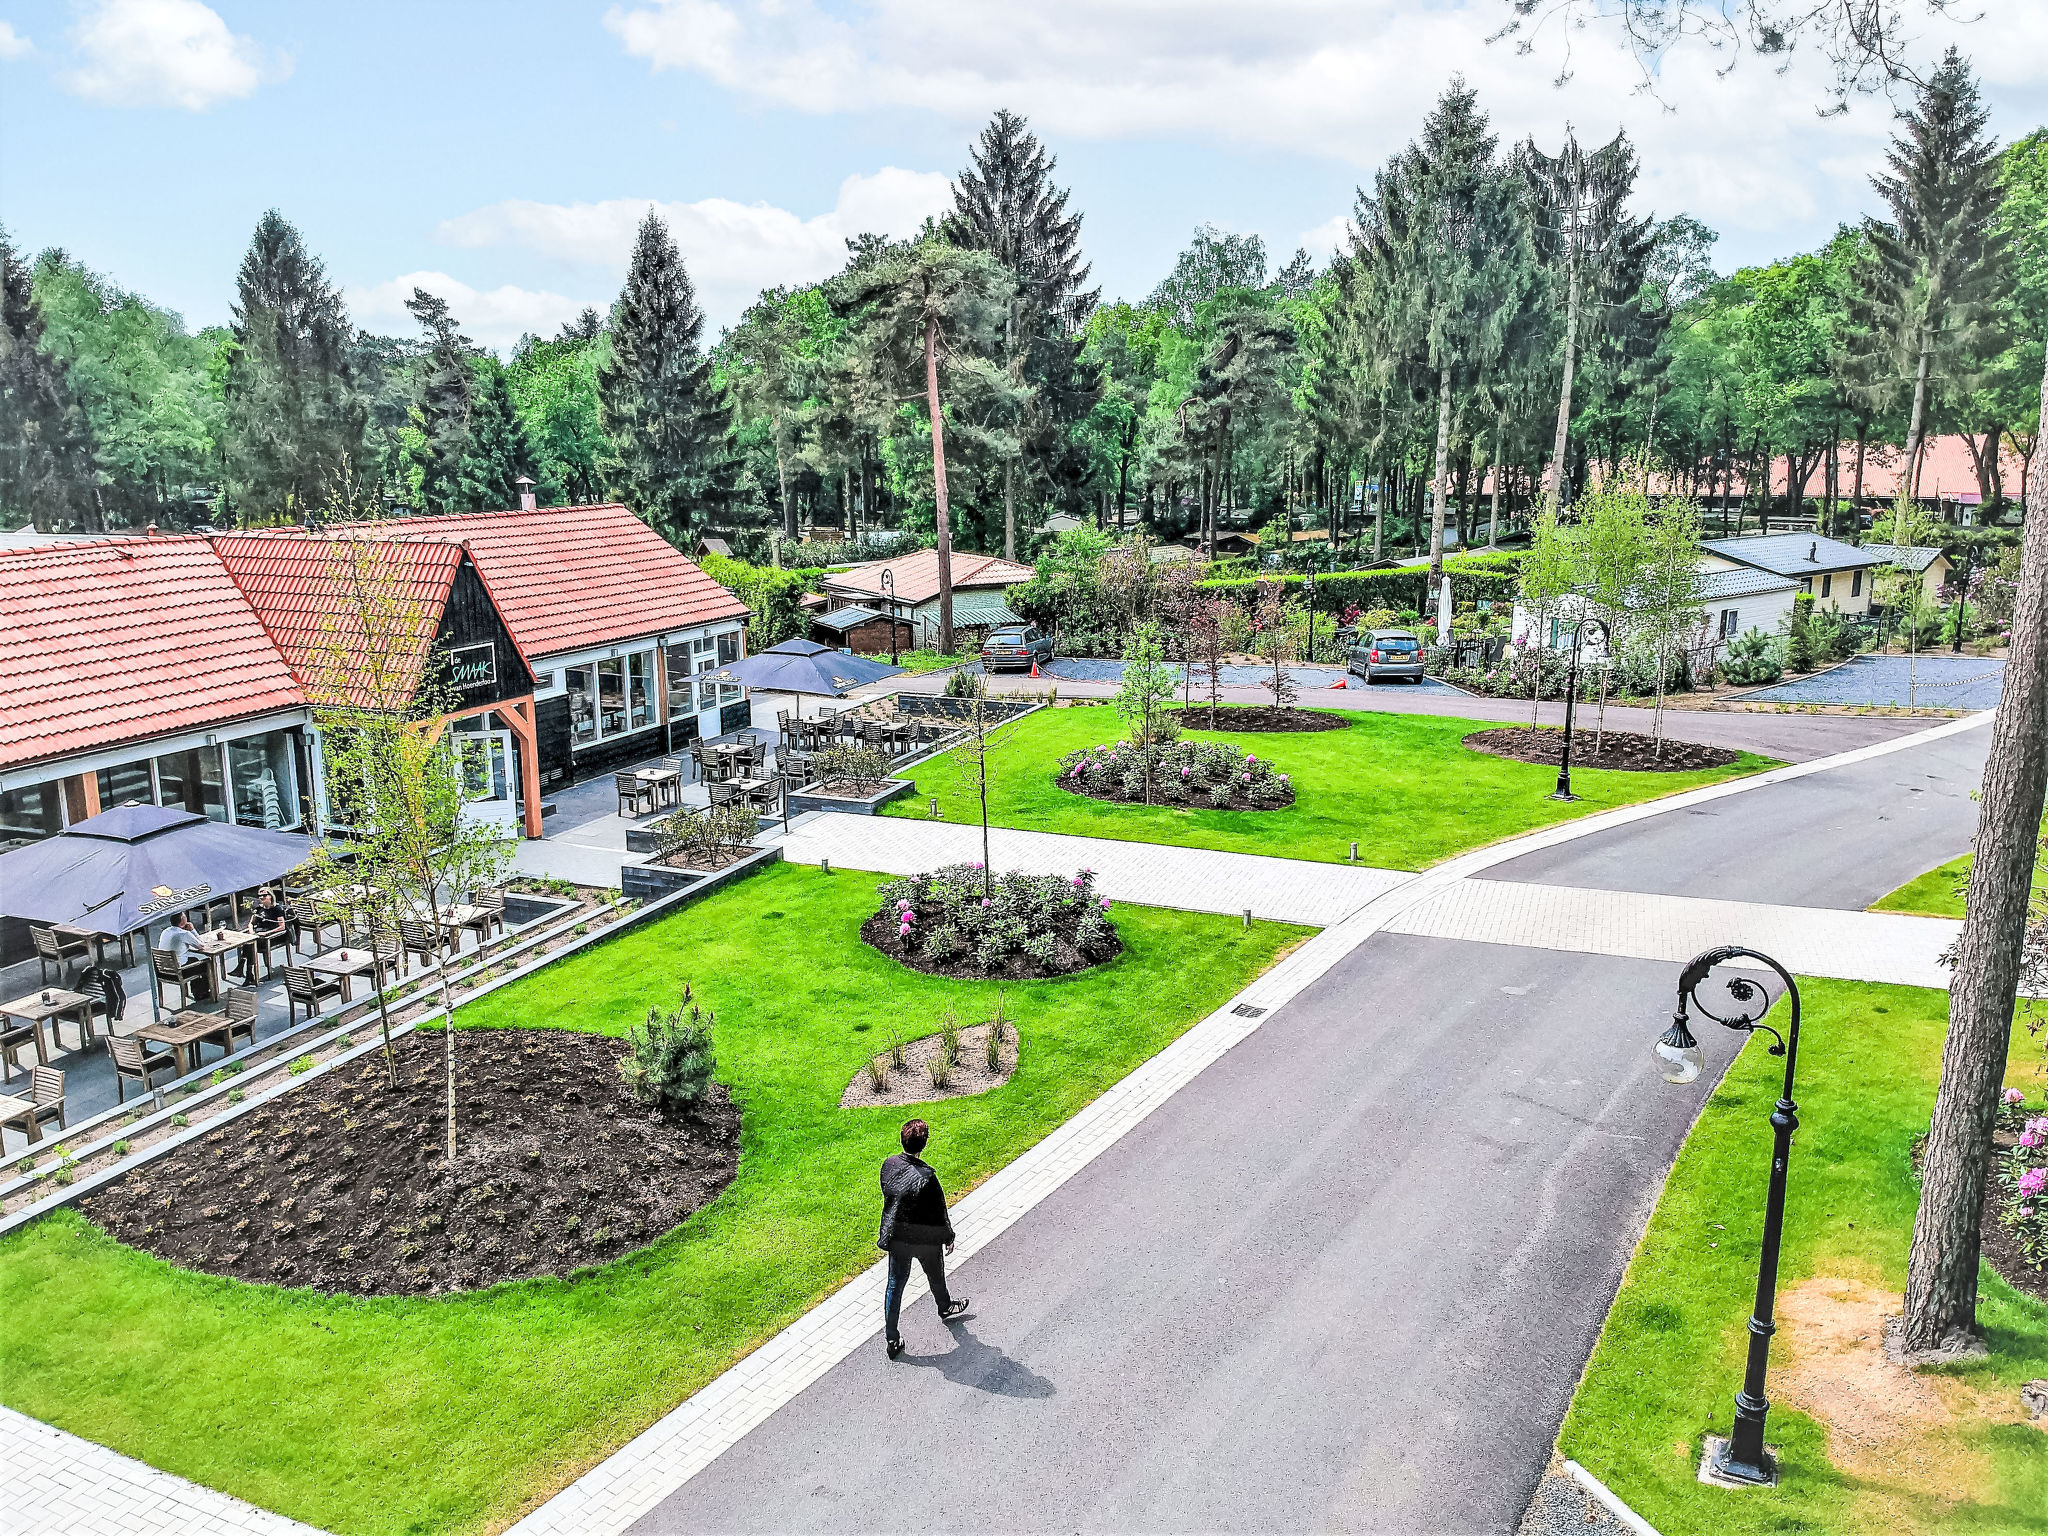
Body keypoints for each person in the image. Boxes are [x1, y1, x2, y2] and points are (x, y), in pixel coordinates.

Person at [878, 1117, 969, 1358]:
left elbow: (889, 1193)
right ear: (924, 1144)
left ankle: (892, 1338)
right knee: (935, 1276)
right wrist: (948, 1236)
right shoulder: (927, 1178)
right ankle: (945, 1307)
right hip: (925, 1241)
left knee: (895, 1285)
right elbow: (939, 1210)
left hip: (898, 1238)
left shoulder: (889, 1165)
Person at [233, 889, 285, 984]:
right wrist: (252, 932)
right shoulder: (258, 909)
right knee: (249, 943)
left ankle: (245, 969)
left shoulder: (277, 909)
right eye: (260, 896)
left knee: (250, 944)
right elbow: (251, 923)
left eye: (264, 895)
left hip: (271, 936)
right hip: (257, 935)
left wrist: (267, 933)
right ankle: (248, 973)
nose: (261, 898)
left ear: (270, 896)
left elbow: (282, 926)